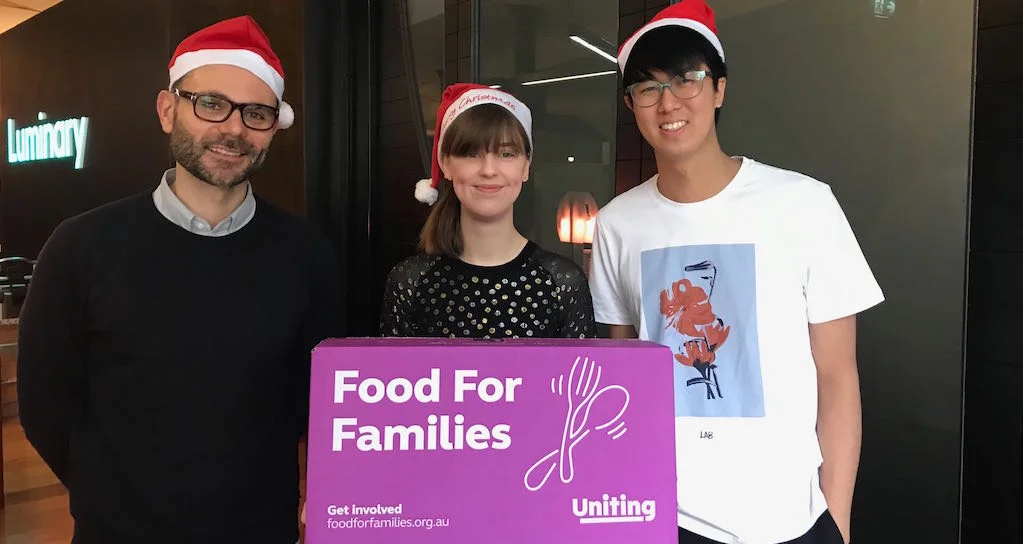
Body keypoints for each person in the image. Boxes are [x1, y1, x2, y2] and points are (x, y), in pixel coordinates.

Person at [17, 16, 340, 544]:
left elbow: (319, 403)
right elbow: (43, 403)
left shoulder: (306, 254)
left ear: (273, 127)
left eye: (256, 113)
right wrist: (106, 497)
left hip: (261, 530)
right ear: (168, 110)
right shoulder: (82, 246)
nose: (234, 129)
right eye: (211, 104)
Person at [589, 2, 884, 543]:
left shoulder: (804, 204)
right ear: (631, 105)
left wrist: (837, 517)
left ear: (719, 89)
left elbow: (837, 375)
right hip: (665, 514)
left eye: (687, 79)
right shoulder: (616, 225)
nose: (668, 102)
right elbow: (623, 373)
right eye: (648, 88)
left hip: (790, 518)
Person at [379, 83, 595, 339]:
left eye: (506, 154)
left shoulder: (563, 283)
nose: (489, 170)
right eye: (471, 154)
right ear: (445, 164)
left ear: (526, 166)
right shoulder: (410, 282)